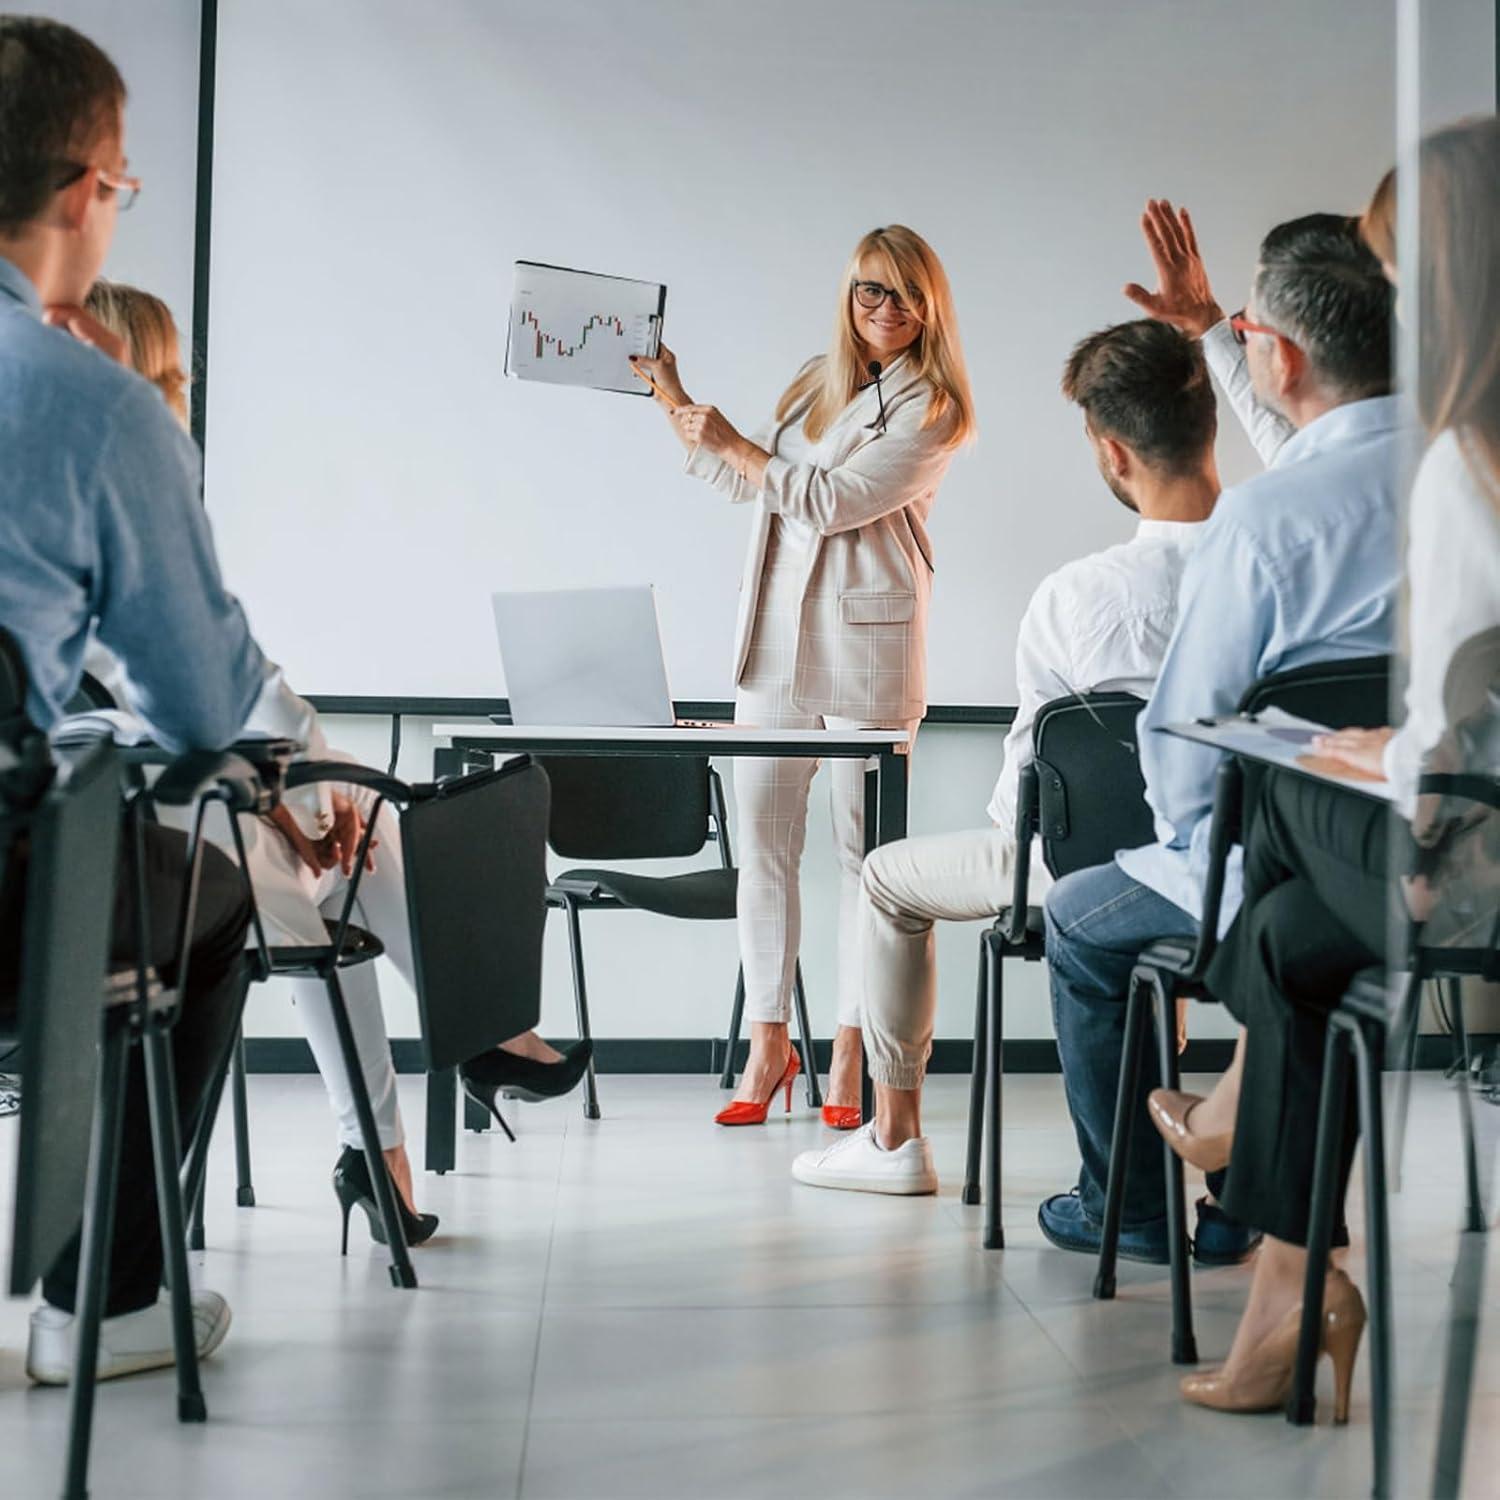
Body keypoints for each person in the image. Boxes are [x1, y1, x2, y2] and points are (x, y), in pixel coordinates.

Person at [78, 279, 593, 1244]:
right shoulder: (109, 511)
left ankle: (402, 1133)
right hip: (146, 826)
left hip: (174, 798)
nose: (176, 397)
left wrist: (300, 789)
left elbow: (226, 681)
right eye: (166, 377)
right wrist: (297, 791)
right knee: (339, 881)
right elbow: (203, 684)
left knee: (354, 851)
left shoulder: (102, 501)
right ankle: (422, 1109)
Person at [1149, 116, 1500, 1416]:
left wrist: (1369, 752)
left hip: (1458, 858)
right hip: (1455, 828)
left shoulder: (1465, 471)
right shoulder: (1448, 456)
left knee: (1265, 775)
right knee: (1296, 934)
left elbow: (1451, 722)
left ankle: (1292, 1272)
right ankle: (1290, 1284)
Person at [1037, 209, 1403, 1265]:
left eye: (1249, 330)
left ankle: (1134, 1206)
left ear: (1278, 354)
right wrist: (1212, 330)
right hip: (1438, 854)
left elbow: (1186, 742)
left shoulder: (1269, 519)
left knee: (1077, 919)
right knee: (1288, 929)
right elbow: (1325, 448)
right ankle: (1257, 1220)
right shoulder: (1464, 482)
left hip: (1283, 866)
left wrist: (1212, 858)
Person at [790, 318, 1221, 1194]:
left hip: (1076, 875)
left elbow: (1032, 791)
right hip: (1246, 873)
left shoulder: (1076, 598)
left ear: (1111, 451)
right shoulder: (1279, 572)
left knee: (883, 877)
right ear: (1208, 426)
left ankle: (893, 1139)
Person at [0, 16, 262, 1383]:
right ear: (79, 191)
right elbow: (209, 705)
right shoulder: (97, 408)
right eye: (123, 184)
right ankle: (102, 1301)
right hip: (6, 903)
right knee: (207, 892)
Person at [631, 226, 974, 1127]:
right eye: (870, 290)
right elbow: (746, 480)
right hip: (776, 646)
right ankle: (769, 1043)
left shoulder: (935, 407)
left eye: (904, 295)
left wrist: (742, 445)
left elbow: (831, 502)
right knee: (764, 852)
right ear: (847, 293)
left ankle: (854, 1056)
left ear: (929, 307)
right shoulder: (811, 387)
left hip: (866, 651)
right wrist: (675, 397)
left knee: (865, 863)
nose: (883, 310)